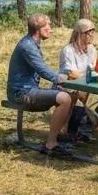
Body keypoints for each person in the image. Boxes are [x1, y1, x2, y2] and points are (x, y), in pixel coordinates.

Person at [6, 13, 75, 157]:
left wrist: (64, 77)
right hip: (22, 93)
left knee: (71, 93)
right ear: (39, 30)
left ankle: (63, 132)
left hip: (29, 89)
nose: (51, 29)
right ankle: (51, 144)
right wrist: (61, 79)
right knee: (65, 98)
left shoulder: (32, 43)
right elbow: (42, 70)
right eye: (48, 26)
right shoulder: (27, 46)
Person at [59, 18, 98, 140]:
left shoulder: (91, 49)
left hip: (84, 85)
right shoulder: (68, 50)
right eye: (88, 32)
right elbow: (71, 73)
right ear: (80, 34)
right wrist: (88, 75)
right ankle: (63, 130)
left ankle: (74, 129)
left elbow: (93, 69)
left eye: (93, 31)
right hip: (65, 85)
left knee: (87, 93)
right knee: (75, 94)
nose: (92, 35)